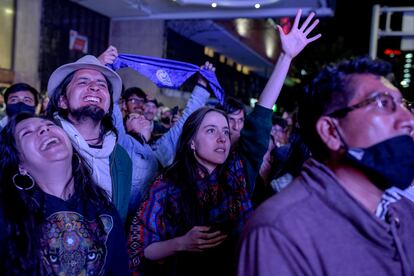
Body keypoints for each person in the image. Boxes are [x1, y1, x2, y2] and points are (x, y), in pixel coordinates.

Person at [128, 9, 320, 275]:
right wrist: (181, 243)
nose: (222, 137)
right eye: (210, 131)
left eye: (225, 130)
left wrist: (286, 57)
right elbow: (142, 247)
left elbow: (262, 113)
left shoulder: (239, 170)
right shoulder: (167, 185)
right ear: (191, 142)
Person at [237, 54, 414, 275]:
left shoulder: (405, 213)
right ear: (330, 131)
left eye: (403, 104)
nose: (409, 119)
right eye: (383, 103)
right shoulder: (281, 231)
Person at [0, 112, 129, 275]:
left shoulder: (103, 209)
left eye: (49, 125)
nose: (44, 130)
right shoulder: (8, 215)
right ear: (19, 163)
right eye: (27, 132)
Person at [98, 45, 215, 221]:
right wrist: (104, 68)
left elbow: (187, 119)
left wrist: (202, 84)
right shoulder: (122, 143)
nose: (140, 117)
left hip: (155, 224)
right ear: (125, 127)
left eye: (142, 116)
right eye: (133, 118)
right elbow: (112, 106)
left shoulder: (162, 149)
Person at [46, 55, 132, 223]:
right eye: (83, 82)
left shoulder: (122, 159)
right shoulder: (45, 147)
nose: (94, 87)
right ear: (62, 100)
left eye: (102, 85)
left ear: (108, 107)